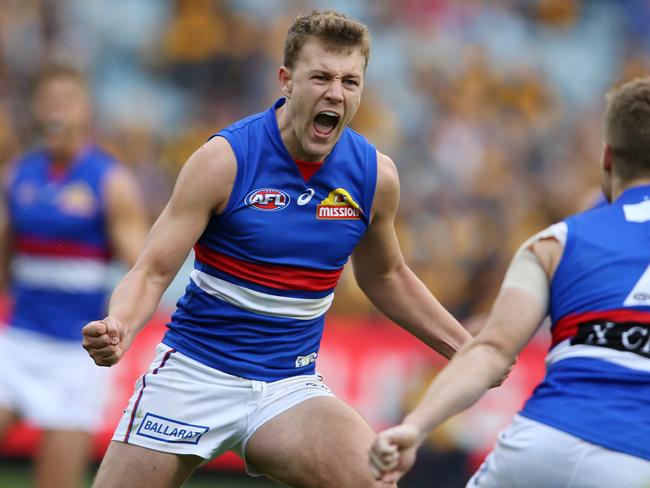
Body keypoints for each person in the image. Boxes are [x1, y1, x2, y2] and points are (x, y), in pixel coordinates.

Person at [81, 9, 473, 488]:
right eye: (321, 77)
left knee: (375, 478)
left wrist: (467, 351)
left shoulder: (375, 176)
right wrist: (120, 323)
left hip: (288, 387)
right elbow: (152, 272)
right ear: (286, 80)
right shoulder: (224, 160)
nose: (336, 93)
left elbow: (386, 275)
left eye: (351, 81)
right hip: (193, 374)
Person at [369, 76, 650, 487]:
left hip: (541, 444)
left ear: (606, 158)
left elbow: (492, 350)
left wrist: (415, 427)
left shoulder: (555, 241)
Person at [0, 64, 148, 488]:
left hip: (73, 356)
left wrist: (121, 324)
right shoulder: (17, 176)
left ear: (86, 111)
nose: (55, 111)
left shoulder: (110, 181)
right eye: (47, 101)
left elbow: (142, 269)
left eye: (65, 101)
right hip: (17, 343)